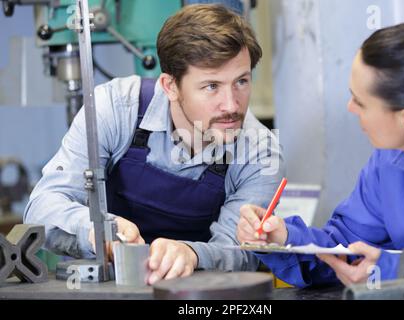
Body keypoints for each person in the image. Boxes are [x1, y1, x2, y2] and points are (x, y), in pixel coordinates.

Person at [24, 4, 284, 285]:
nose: (232, 105)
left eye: (241, 81)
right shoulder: (114, 109)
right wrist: (97, 231)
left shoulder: (259, 151)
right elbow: (41, 208)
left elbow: (242, 251)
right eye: (211, 86)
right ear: (170, 86)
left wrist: (191, 254)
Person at [237, 22, 404, 288]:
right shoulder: (386, 165)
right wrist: (282, 237)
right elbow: (346, 248)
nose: (350, 108)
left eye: (360, 102)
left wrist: (393, 270)